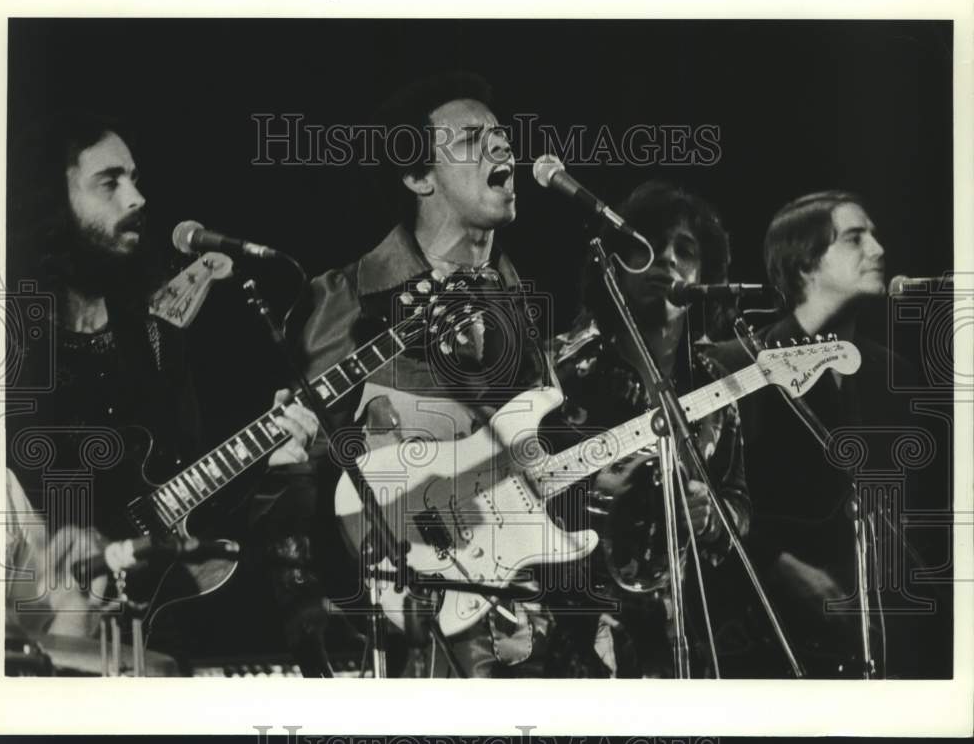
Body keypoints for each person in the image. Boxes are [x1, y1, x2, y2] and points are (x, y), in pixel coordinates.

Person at [253, 72, 553, 677]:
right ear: (418, 177)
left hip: (521, 625)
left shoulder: (517, 298)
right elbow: (295, 473)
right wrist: (307, 626)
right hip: (398, 637)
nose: (503, 149)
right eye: (472, 139)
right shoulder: (345, 301)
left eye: (502, 137)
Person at [4, 111, 317, 661]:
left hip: (157, 623)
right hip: (31, 615)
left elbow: (195, 482)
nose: (137, 197)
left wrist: (273, 460)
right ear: (53, 200)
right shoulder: (8, 339)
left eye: (135, 177)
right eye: (110, 182)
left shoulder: (151, 334)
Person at [708, 190, 951, 678]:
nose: (879, 251)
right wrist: (784, 567)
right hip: (767, 646)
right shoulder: (736, 365)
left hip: (882, 646)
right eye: (855, 238)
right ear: (805, 265)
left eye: (874, 236)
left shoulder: (892, 372)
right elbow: (711, 500)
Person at [542, 180, 750, 677]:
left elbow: (741, 506)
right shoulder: (561, 370)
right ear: (615, 265)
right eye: (648, 248)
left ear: (705, 273)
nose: (668, 261)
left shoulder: (714, 387)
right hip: (569, 635)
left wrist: (711, 514)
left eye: (686, 250)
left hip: (673, 636)